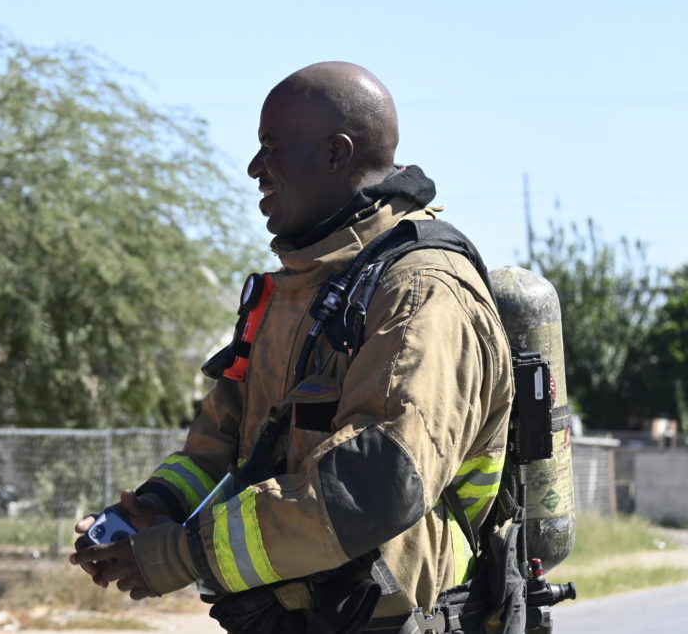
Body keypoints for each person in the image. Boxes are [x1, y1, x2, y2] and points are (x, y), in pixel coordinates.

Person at [70, 62, 514, 632]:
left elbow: (379, 485)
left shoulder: (421, 291)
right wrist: (157, 507)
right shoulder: (297, 291)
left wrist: (182, 554)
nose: (255, 168)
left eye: (272, 147)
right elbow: (226, 443)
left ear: (335, 153)